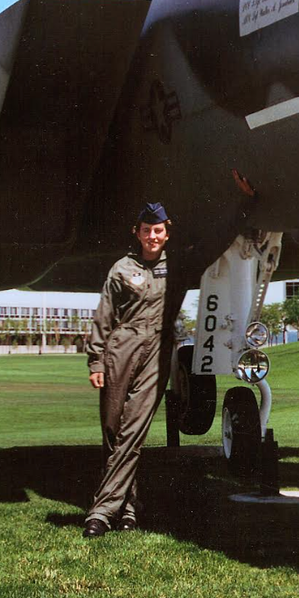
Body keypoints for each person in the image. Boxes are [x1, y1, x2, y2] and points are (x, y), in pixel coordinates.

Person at [83, 201, 182, 538]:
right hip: (120, 349)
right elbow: (103, 316)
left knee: (133, 431)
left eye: (158, 231)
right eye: (146, 231)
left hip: (156, 351)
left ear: (167, 232)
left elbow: (216, 245)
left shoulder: (179, 266)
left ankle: (100, 512)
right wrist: (96, 360)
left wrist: (245, 205)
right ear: (137, 233)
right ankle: (128, 507)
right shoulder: (121, 269)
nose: (152, 237)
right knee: (112, 429)